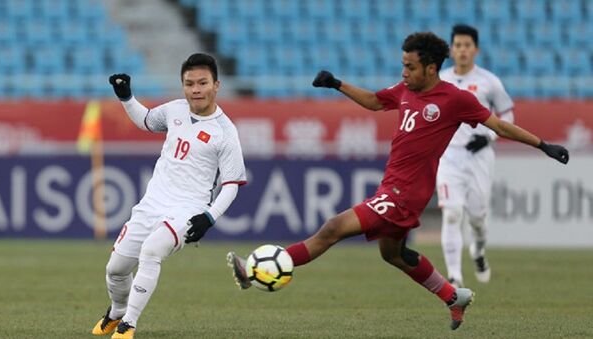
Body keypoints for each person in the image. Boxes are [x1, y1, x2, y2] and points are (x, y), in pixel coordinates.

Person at [227, 32, 569, 331]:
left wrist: (543, 145)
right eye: (403, 65)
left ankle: (257, 271)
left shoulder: (455, 100)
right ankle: (454, 296)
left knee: (333, 228)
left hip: (406, 193)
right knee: (392, 253)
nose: (404, 73)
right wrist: (337, 84)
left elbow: (499, 125)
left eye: (410, 67)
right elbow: (376, 102)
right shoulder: (406, 89)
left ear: (431, 68)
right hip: (391, 185)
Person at [91, 53, 247, 339]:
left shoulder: (226, 132)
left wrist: (209, 217)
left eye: (202, 83)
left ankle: (129, 324)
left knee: (151, 251)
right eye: (189, 84)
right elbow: (146, 121)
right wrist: (127, 98)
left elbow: (232, 184)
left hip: (187, 210)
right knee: (116, 269)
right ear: (183, 86)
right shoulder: (174, 110)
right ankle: (116, 312)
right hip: (151, 204)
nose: (196, 89)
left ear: (217, 85)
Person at [436, 24, 515, 288]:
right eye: (457, 45)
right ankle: (455, 278)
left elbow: (508, 115)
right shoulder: (440, 79)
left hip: (479, 157)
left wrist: (489, 136)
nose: (462, 50)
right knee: (451, 213)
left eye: (467, 45)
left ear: (476, 49)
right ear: (451, 49)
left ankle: (479, 252)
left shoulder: (489, 82)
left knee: (477, 220)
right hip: (448, 156)